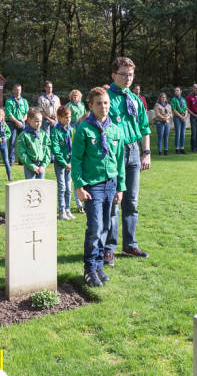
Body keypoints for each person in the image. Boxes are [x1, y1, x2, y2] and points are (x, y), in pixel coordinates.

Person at [72, 87, 125, 288]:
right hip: (93, 186)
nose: (103, 107)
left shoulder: (116, 130)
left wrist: (120, 188)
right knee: (95, 228)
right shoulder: (84, 129)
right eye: (99, 103)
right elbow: (76, 159)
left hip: (111, 184)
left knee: (106, 227)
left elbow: (120, 162)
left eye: (106, 103)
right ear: (90, 106)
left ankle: (99, 266)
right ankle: (89, 268)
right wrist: (79, 186)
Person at [104, 56, 151, 265]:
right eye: (123, 74)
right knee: (114, 200)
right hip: (114, 152)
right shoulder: (107, 98)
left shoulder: (135, 99)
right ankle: (109, 248)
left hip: (133, 152)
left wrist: (146, 152)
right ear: (113, 75)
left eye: (130, 74)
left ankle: (130, 244)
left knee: (131, 201)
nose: (128, 78)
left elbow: (144, 127)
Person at [52, 105, 74, 219]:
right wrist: (65, 163)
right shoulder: (55, 131)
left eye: (69, 117)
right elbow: (56, 150)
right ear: (59, 118)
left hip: (70, 162)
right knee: (62, 187)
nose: (68, 119)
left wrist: (71, 162)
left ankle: (67, 209)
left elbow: (75, 146)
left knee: (69, 188)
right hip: (61, 163)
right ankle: (61, 211)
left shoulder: (71, 130)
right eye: (66, 117)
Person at [15, 108, 51, 179]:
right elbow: (21, 153)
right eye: (36, 121)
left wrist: (43, 165)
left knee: (40, 185)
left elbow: (48, 151)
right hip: (29, 165)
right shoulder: (24, 135)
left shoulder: (44, 135)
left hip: (41, 165)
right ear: (29, 120)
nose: (39, 124)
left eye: (40, 121)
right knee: (30, 185)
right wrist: (32, 166)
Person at [4, 84, 28, 165]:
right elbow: (9, 114)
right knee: (12, 141)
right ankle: (12, 160)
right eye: (16, 90)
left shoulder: (24, 101)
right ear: (13, 90)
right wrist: (16, 122)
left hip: (22, 122)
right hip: (11, 123)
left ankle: (22, 159)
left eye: (19, 90)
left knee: (23, 141)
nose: (18, 91)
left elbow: (26, 113)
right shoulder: (9, 101)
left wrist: (21, 121)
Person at [170, 87, 188, 154]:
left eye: (177, 90)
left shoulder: (183, 99)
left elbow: (186, 109)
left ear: (181, 91)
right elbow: (174, 110)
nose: (176, 92)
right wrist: (181, 116)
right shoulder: (173, 100)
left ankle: (182, 148)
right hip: (177, 117)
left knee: (183, 133)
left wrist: (185, 116)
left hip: (183, 117)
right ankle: (177, 149)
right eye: (175, 91)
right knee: (178, 133)